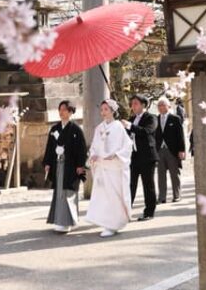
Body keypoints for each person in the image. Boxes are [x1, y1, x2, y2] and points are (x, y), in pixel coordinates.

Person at [85, 99, 133, 238]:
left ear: (113, 111)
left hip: (115, 167)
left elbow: (127, 145)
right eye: (102, 109)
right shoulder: (99, 128)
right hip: (102, 166)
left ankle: (115, 223)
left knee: (115, 196)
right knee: (103, 197)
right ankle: (107, 223)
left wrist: (117, 154)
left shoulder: (118, 127)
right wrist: (93, 155)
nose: (103, 112)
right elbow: (94, 146)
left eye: (106, 109)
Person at [43, 100, 87, 233]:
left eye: (64, 110)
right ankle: (58, 220)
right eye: (60, 109)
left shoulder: (76, 129)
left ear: (70, 112)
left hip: (70, 166)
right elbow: (50, 148)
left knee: (68, 192)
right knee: (59, 193)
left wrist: (80, 165)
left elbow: (82, 149)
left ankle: (67, 222)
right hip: (58, 164)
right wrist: (47, 163)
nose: (61, 112)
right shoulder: (55, 129)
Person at [121, 94, 158, 221]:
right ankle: (126, 210)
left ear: (143, 105)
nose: (133, 106)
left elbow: (146, 131)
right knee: (130, 184)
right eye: (132, 104)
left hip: (147, 156)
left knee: (148, 184)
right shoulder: (131, 118)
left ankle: (149, 212)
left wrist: (130, 127)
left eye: (136, 103)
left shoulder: (151, 117)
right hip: (134, 156)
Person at [155, 97, 185, 203]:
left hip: (172, 150)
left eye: (163, 105)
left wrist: (182, 150)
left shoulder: (175, 119)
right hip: (160, 150)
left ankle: (176, 195)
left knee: (174, 173)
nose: (161, 107)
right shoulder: (155, 119)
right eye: (159, 105)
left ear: (169, 106)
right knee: (161, 175)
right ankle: (162, 197)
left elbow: (180, 135)